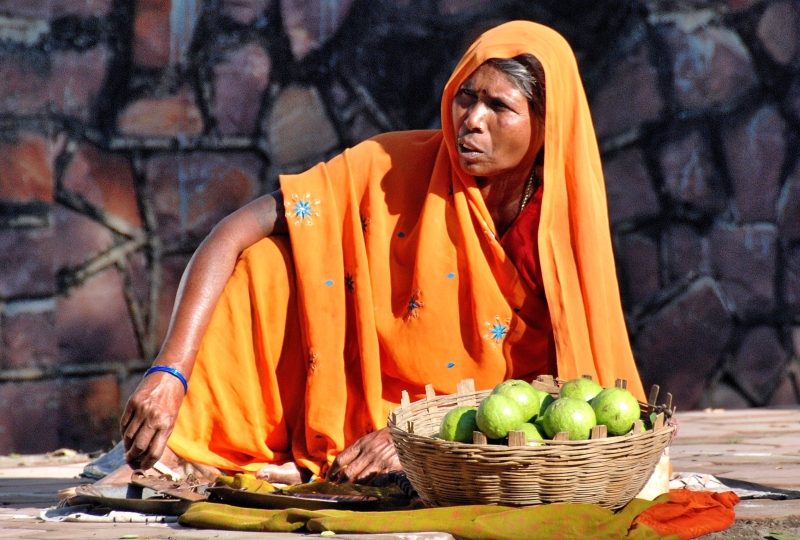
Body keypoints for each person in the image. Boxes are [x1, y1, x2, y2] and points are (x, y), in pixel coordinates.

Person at [117, 20, 646, 487]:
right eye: (466, 96)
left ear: (546, 125)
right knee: (266, 264)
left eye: (499, 106)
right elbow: (231, 232)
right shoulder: (390, 169)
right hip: (356, 406)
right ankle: (206, 449)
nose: (472, 119)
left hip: (477, 426)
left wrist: (425, 434)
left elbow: (566, 385)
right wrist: (170, 371)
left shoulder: (559, 227)